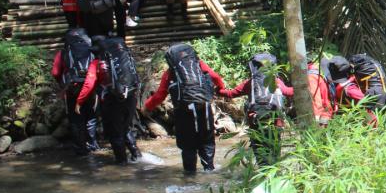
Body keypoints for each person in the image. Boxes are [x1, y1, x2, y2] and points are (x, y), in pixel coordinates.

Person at [143, 43, 228, 173]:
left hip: (183, 111)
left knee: (188, 145)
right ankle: (209, 170)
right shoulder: (199, 65)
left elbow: (160, 95)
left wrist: (147, 106)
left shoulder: (171, 72)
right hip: (203, 106)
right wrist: (221, 89)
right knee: (206, 141)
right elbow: (216, 77)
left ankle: (190, 175)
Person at [77, 36, 142, 164]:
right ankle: (137, 156)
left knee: (115, 133)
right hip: (129, 96)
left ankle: (122, 163)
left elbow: (89, 84)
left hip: (112, 101)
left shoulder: (96, 64)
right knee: (126, 127)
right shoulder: (124, 59)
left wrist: (79, 101)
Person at [220, 53, 293, 165]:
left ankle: (262, 171)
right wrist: (304, 85)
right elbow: (288, 92)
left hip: (256, 121)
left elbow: (231, 93)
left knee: (260, 150)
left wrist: (218, 90)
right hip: (275, 121)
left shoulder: (251, 82)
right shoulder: (276, 81)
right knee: (274, 150)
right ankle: (273, 172)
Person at [51, 28, 99, 157]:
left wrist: (62, 83)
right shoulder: (92, 51)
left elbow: (55, 72)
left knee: (76, 118)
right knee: (91, 115)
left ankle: (81, 149)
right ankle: (93, 144)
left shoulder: (63, 53)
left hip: (72, 88)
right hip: (91, 87)